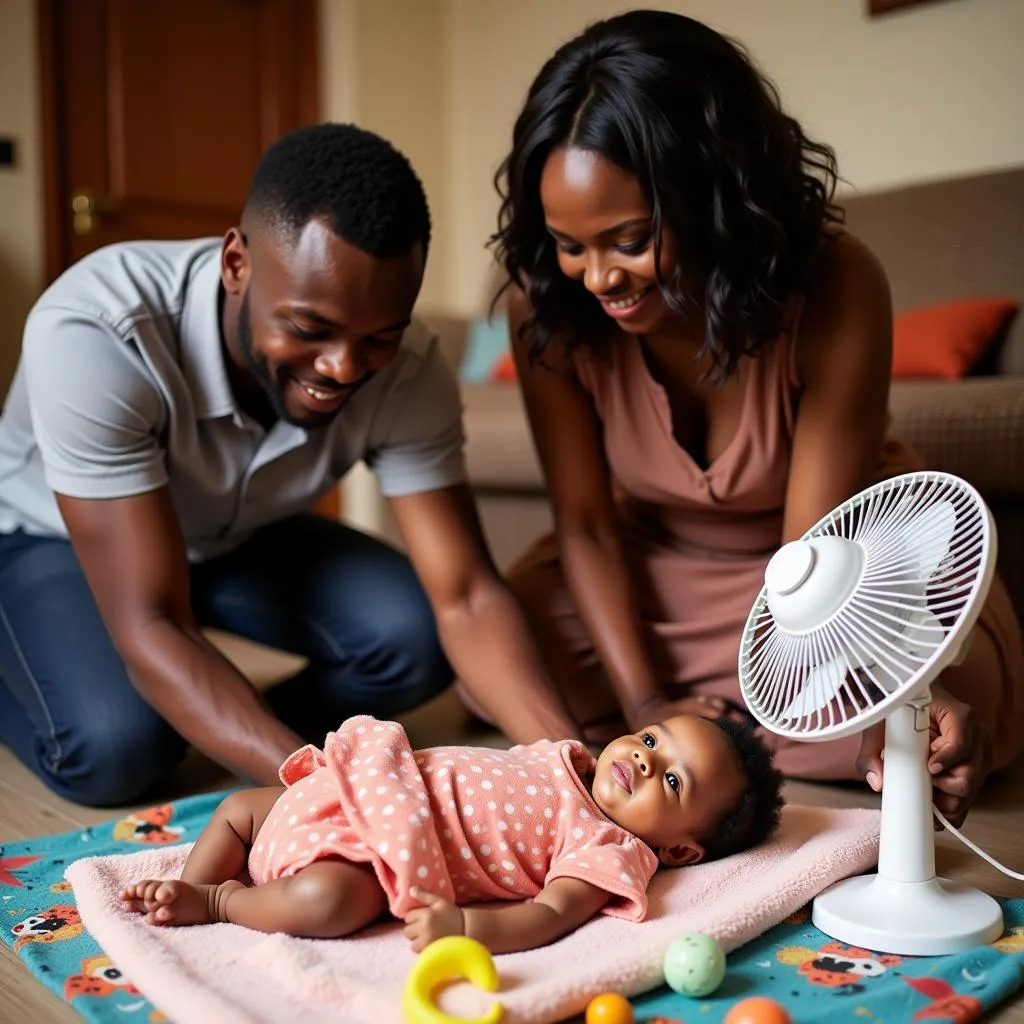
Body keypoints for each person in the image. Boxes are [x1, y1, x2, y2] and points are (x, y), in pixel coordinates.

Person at [477, 10, 1024, 829]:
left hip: (821, 571)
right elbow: (585, 526)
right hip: (644, 563)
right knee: (510, 653)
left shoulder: (834, 280)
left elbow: (814, 564)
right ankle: (722, 742)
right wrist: (646, 701)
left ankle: (774, 736)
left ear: (711, 192)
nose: (598, 278)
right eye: (569, 244)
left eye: (629, 240)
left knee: (931, 716)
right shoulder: (546, 301)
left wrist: (889, 692)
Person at [0, 122, 579, 809]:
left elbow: (468, 595)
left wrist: (567, 767)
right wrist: (332, 796)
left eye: (378, 338)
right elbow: (153, 621)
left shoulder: (411, 366)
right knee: (116, 748)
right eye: (309, 330)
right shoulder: (98, 330)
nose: (342, 368)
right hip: (48, 542)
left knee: (415, 638)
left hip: (233, 541)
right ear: (236, 263)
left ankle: (220, 718)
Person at [118, 712, 783, 953]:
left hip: (371, 856)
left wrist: (467, 931)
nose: (643, 758)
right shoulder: (569, 758)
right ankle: (186, 883)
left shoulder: (610, 848)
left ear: (679, 850)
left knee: (333, 903)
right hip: (361, 785)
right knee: (243, 807)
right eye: (649, 738)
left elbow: (550, 915)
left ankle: (215, 901)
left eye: (672, 781)